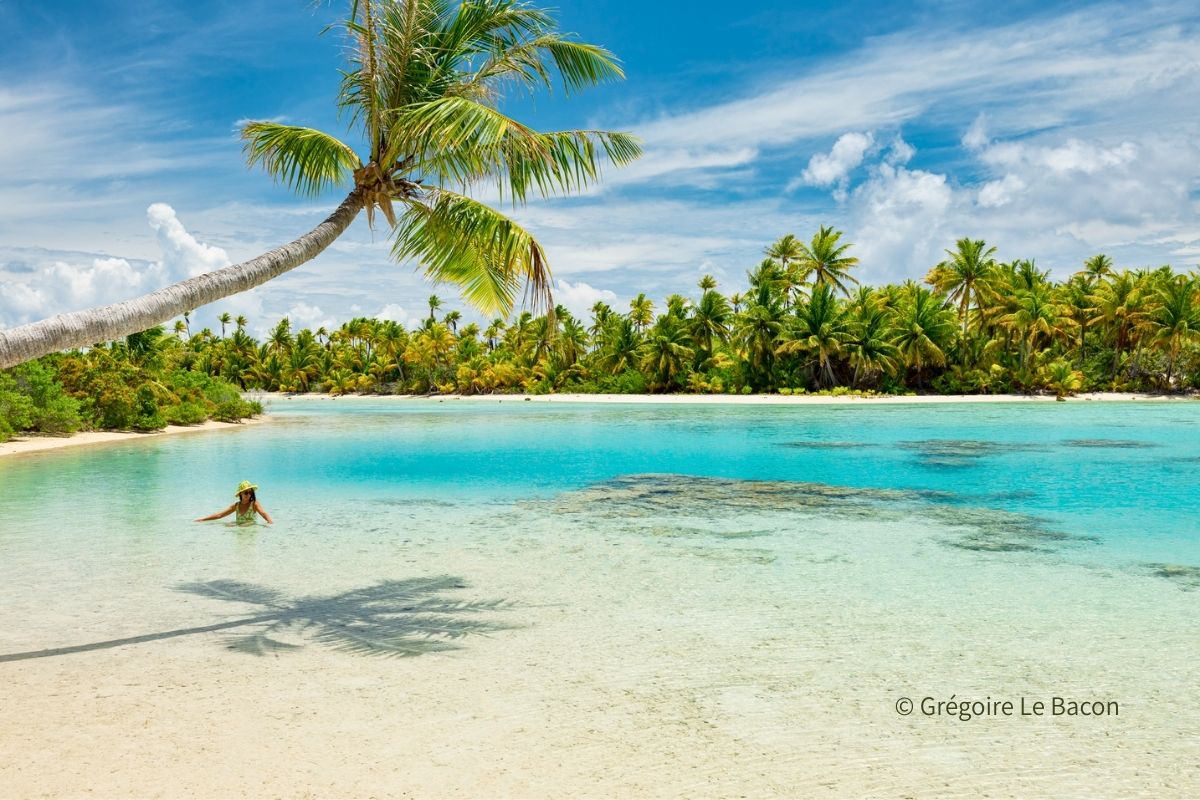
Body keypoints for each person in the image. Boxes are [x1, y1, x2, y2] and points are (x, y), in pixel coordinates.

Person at [195, 480, 274, 526]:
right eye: (246, 492)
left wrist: (270, 522)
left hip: (251, 531)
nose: (249, 495)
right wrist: (203, 519)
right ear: (240, 494)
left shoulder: (254, 504)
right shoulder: (236, 506)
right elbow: (220, 515)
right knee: (225, 525)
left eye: (250, 492)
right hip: (239, 531)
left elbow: (263, 513)